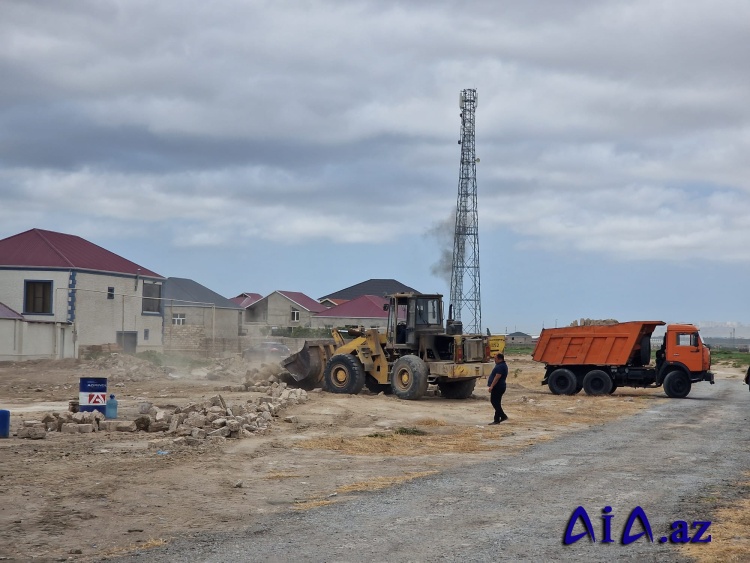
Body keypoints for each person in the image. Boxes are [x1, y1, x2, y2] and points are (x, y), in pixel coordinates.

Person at [488, 353, 508, 425]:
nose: (494, 360)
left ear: (500, 359)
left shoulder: (501, 366)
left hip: (498, 387)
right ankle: (497, 419)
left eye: (495, 359)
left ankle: (502, 416)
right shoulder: (501, 365)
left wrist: (492, 386)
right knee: (497, 403)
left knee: (494, 402)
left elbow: (497, 377)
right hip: (499, 386)